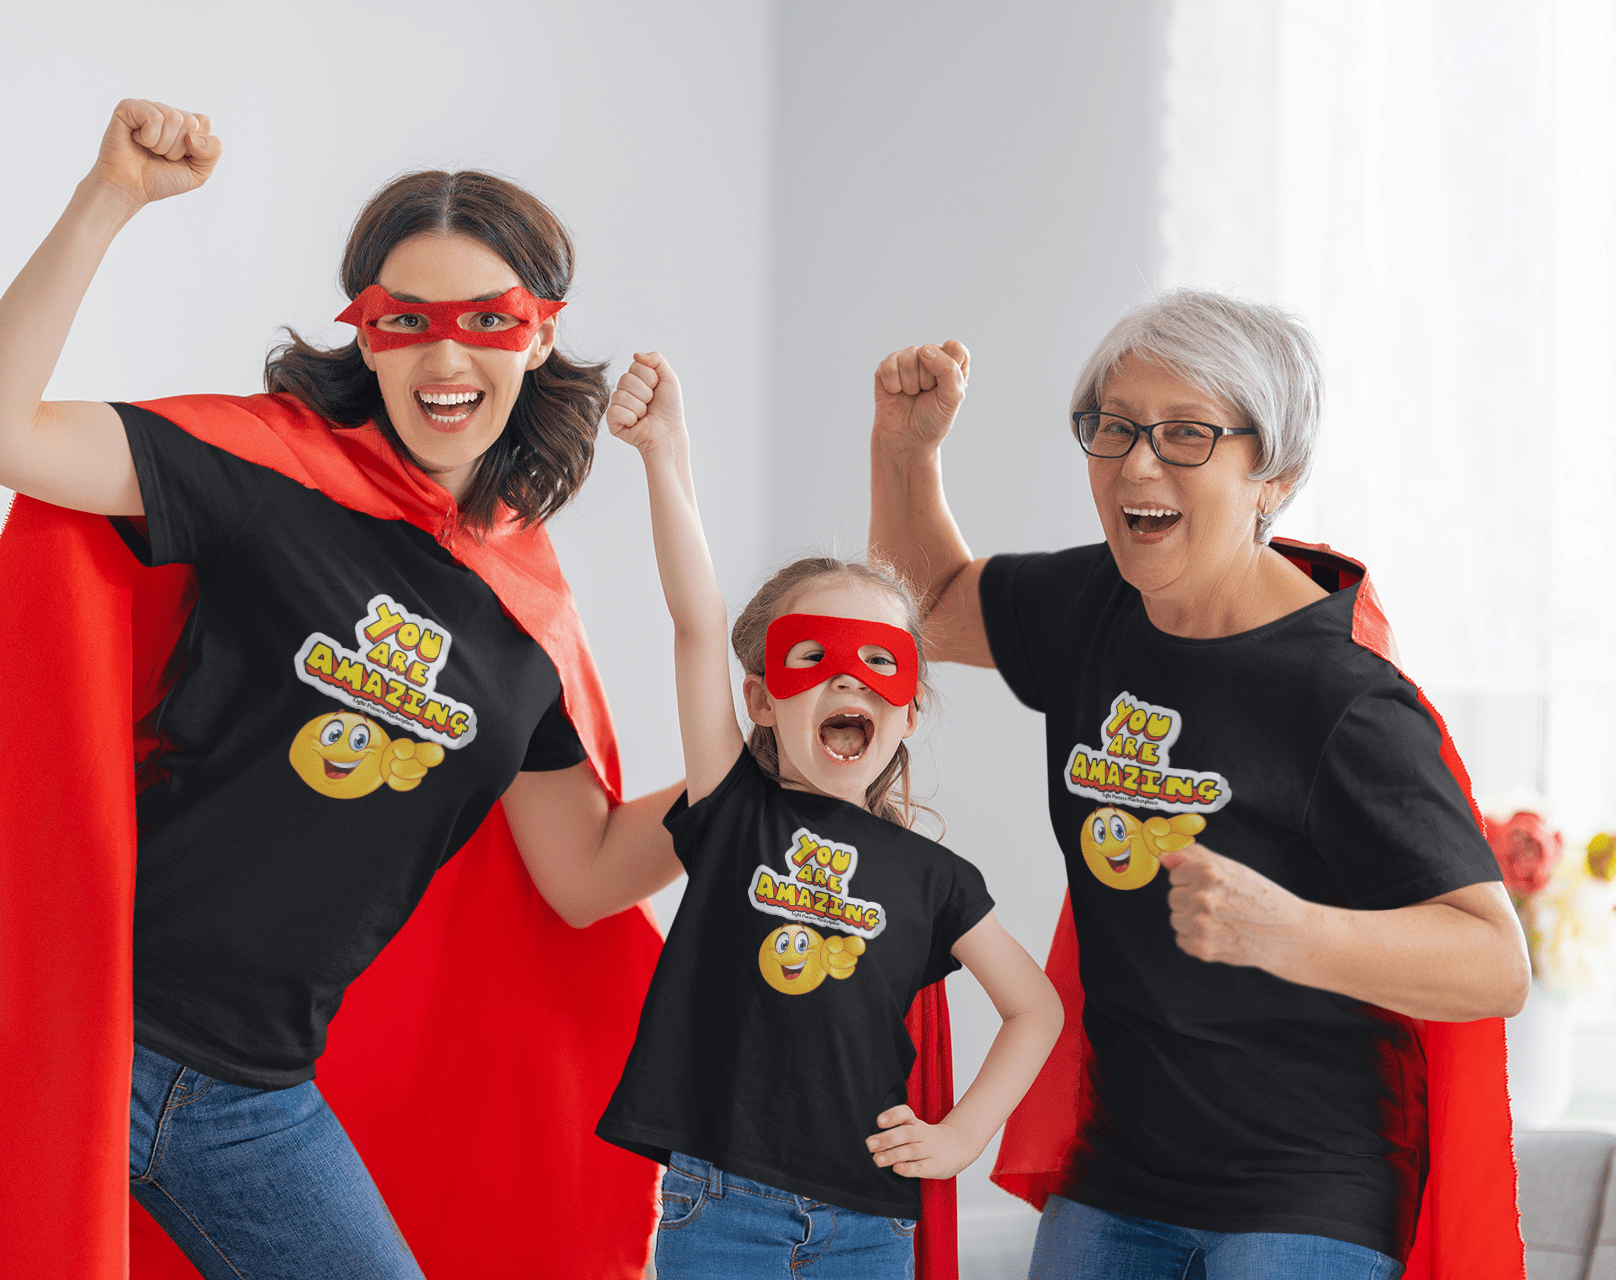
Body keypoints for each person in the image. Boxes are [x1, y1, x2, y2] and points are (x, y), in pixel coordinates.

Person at [0, 99, 682, 1280]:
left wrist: (764, 770)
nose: (445, 359)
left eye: (487, 321)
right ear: (366, 334)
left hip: (249, 1094)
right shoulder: (269, 473)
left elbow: (589, 869)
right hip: (100, 1035)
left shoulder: (525, 615)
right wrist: (110, 202)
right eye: (405, 320)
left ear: (540, 336)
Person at [865, 291, 1530, 1280]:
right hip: (1118, 1182)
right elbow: (932, 609)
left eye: (1186, 434)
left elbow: (1495, 961)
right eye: (1115, 427)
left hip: (1307, 1199)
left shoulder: (1343, 697)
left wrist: (1294, 931)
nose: (1137, 462)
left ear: (1277, 474)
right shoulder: (1095, 603)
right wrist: (905, 449)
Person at [597, 351, 1064, 1279]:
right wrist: (664, 454)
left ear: (908, 711)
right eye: (813, 657)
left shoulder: (938, 880)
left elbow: (1035, 1007)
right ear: (764, 700)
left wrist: (965, 1133)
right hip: (721, 1205)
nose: (849, 676)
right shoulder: (731, 809)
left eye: (878, 664)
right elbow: (699, 619)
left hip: (869, 1220)